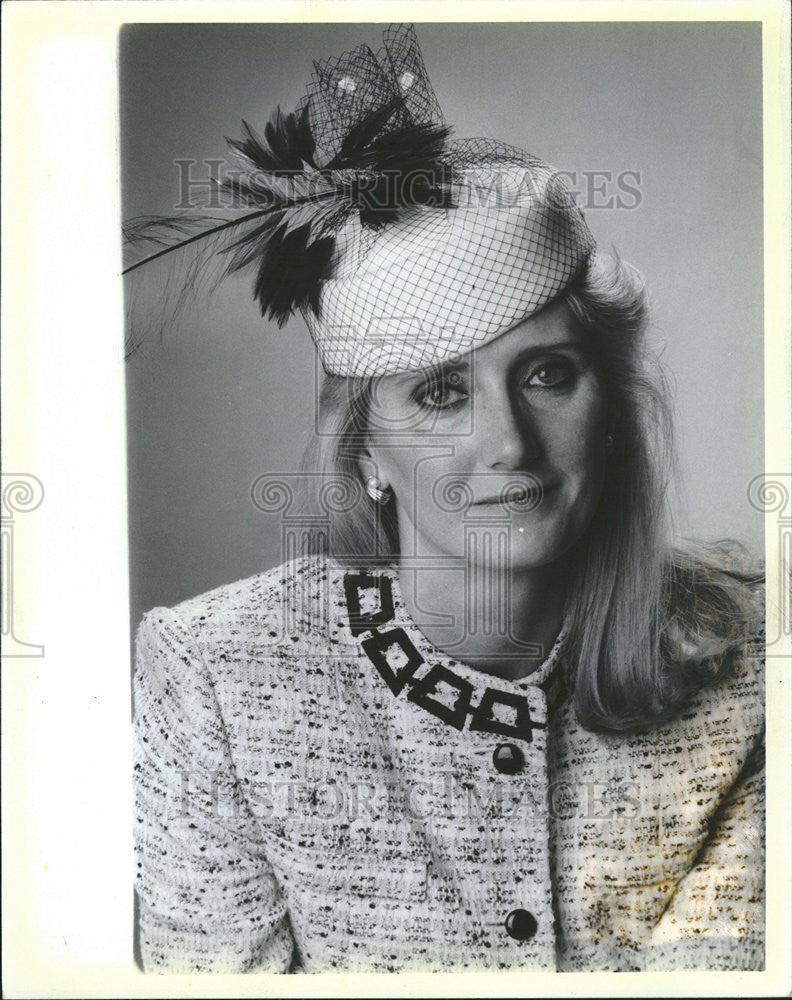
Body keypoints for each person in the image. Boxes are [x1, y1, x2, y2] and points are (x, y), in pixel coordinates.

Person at [129, 24, 765, 974]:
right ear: (366, 448)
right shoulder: (219, 679)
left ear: (613, 405)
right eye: (440, 391)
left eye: (548, 375)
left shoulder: (760, 651)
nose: (507, 442)